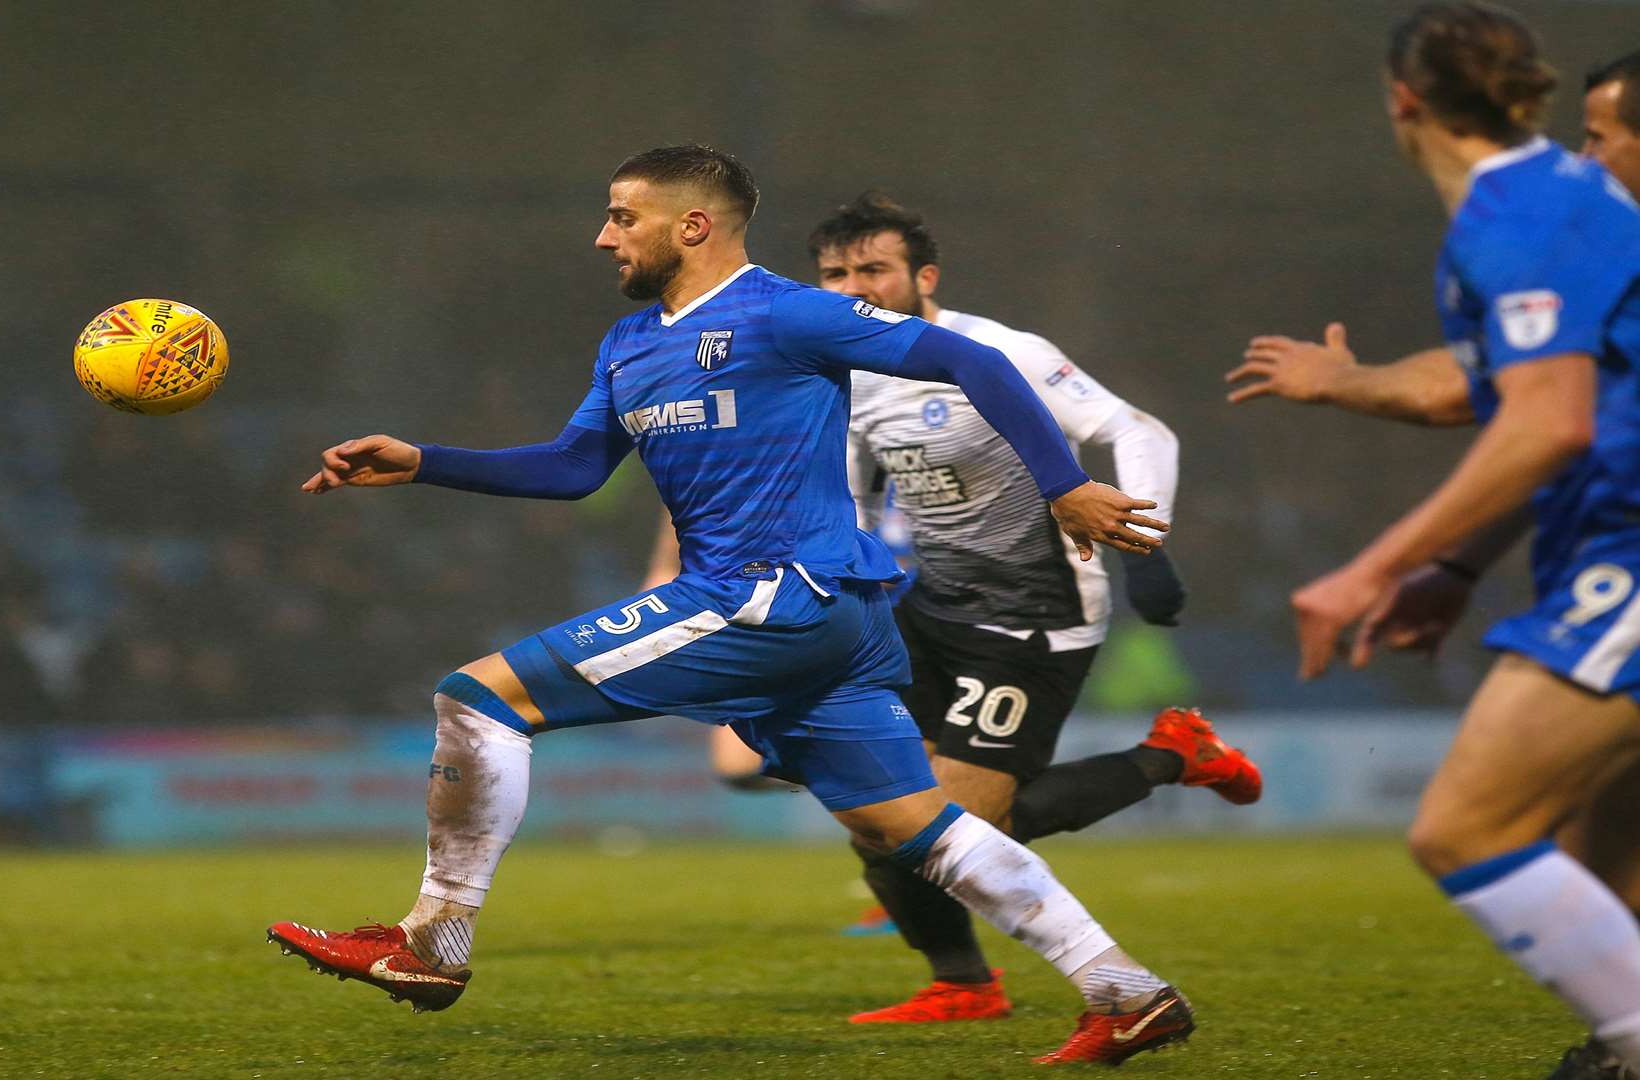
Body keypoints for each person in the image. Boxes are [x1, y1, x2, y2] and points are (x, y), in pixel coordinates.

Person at [267, 144, 1195, 1064]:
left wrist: (1064, 485)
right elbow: (574, 469)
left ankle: (433, 943)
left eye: (622, 216)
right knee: (907, 826)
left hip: (776, 595)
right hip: (812, 621)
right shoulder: (630, 344)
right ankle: (1125, 991)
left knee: (478, 698)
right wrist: (427, 461)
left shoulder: (789, 314)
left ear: (693, 224)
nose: (603, 237)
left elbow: (973, 363)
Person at [646, 192, 1263, 1025]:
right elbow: (854, 499)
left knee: (959, 826)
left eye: (875, 270)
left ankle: (1172, 753)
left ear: (923, 275)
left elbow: (1141, 430)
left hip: (1031, 619)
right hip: (927, 608)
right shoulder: (845, 374)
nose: (853, 288)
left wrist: (1145, 540)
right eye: (835, 274)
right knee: (875, 811)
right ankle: (963, 986)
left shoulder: (996, 352)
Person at [1226, 5, 1640, 1075]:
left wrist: (1370, 569)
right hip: (1600, 542)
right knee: (1609, 861)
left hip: (1630, 557)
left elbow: (1549, 418)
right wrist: (1453, 562)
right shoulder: (1561, 198)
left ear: (1403, 99)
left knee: (1468, 829)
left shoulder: (1520, 217)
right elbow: (1507, 387)